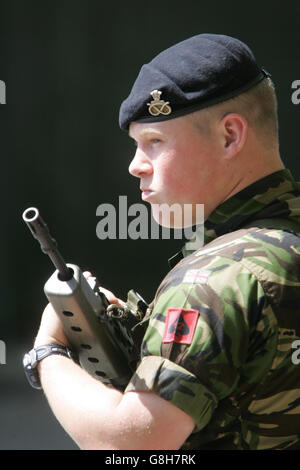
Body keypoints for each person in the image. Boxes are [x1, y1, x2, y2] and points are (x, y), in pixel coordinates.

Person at [24, 33, 300, 450]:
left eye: (154, 142)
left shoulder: (213, 280)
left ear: (229, 136)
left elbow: (130, 445)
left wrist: (48, 354)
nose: (135, 166)